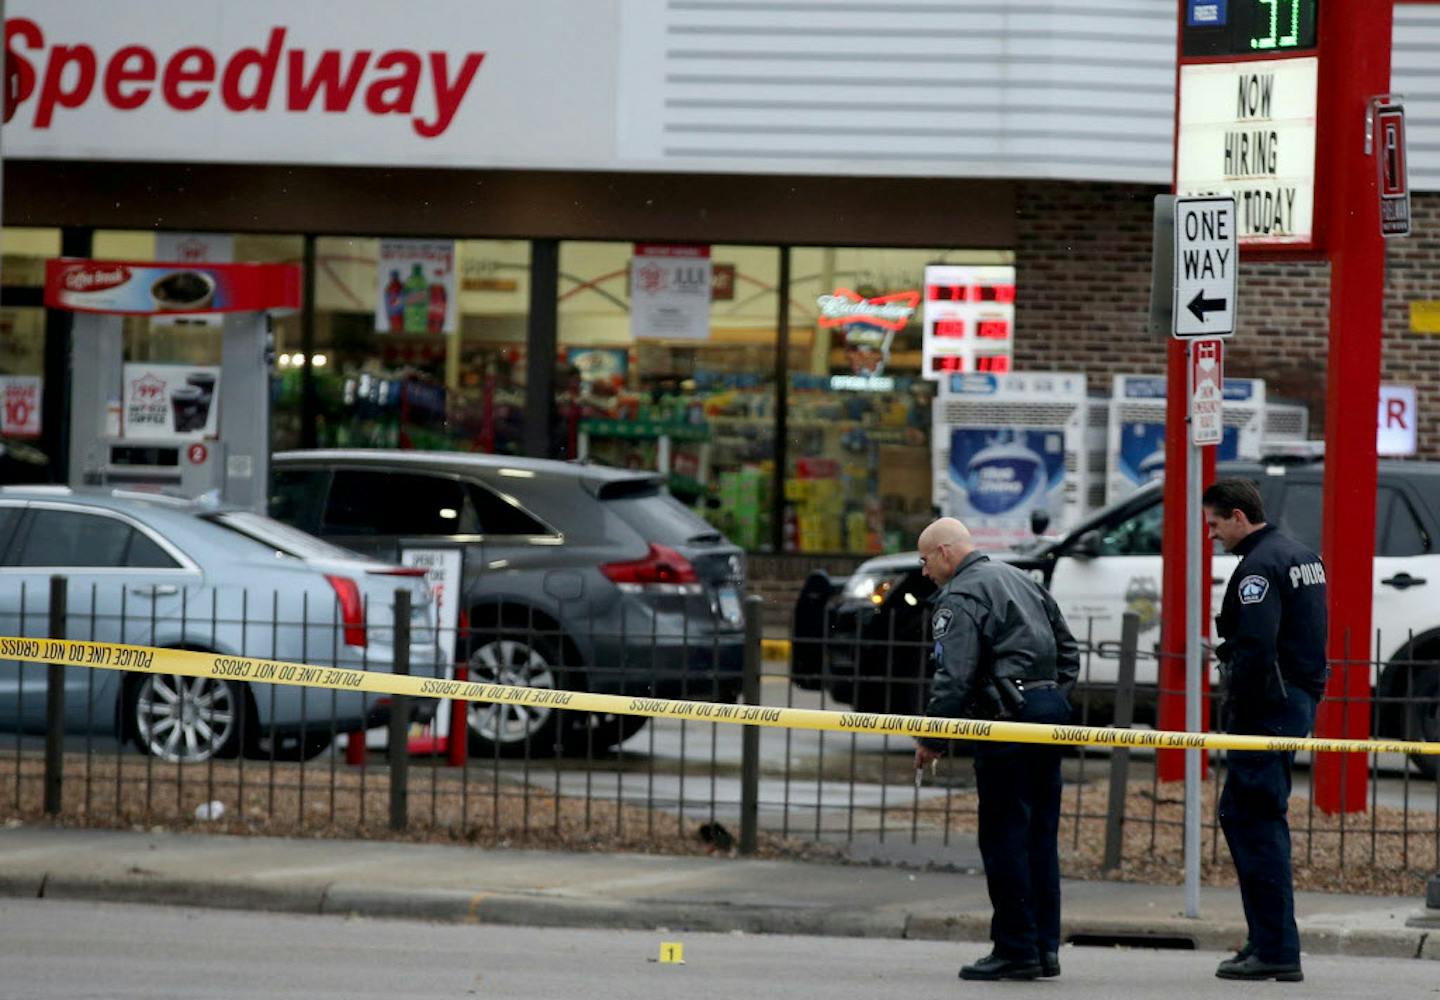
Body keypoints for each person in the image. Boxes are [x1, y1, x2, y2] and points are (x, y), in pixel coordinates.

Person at [913, 517, 1079, 981]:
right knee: (1040, 836)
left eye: (925, 560)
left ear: (946, 552)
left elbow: (954, 675)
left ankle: (1015, 949)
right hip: (1047, 714)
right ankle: (1044, 948)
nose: (924, 571)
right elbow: (1067, 648)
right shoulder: (1021, 581)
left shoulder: (961, 595)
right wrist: (1052, 698)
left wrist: (932, 738)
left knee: (1005, 835)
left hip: (1006, 719)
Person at [1203, 478, 1327, 984]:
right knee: (1256, 817)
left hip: (1266, 707)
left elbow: (1254, 646)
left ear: (1237, 516)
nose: (1212, 535)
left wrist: (1234, 700)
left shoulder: (1258, 567)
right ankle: (1267, 940)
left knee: (1251, 820)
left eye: (1215, 524)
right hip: (1294, 699)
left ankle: (1275, 946)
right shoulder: (1299, 554)